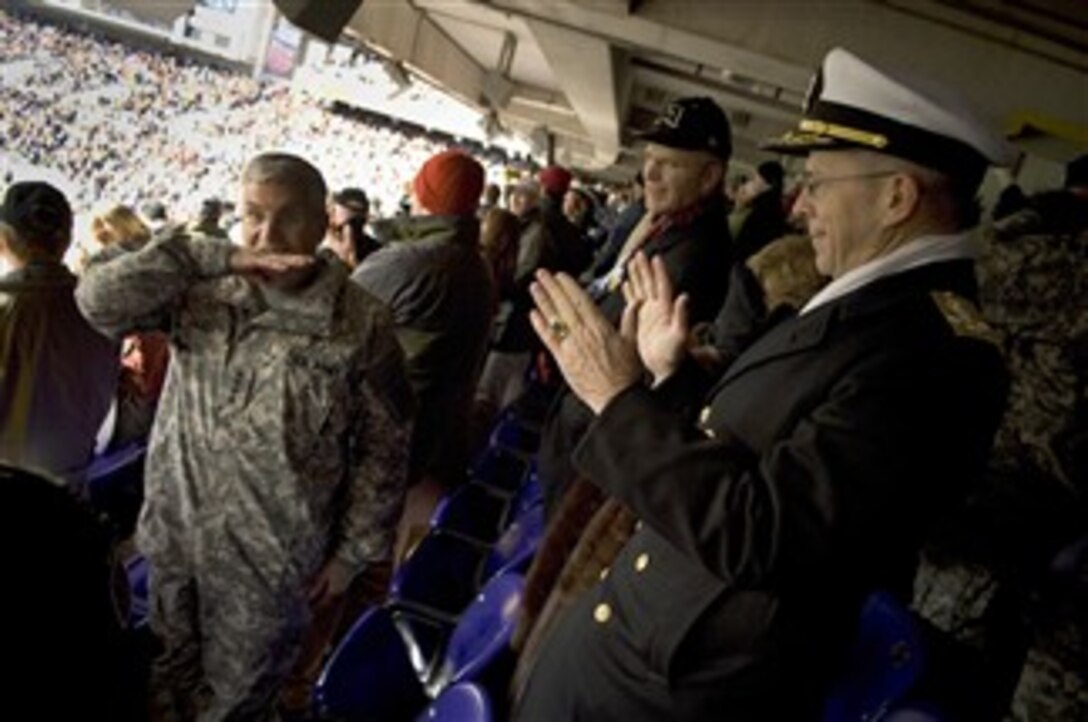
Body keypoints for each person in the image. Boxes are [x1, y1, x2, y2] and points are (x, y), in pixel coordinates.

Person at [513, 47, 1012, 720]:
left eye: (819, 182)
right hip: (646, 644)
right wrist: (672, 376)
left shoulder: (937, 355)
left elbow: (771, 532)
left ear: (896, 196)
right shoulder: (869, 302)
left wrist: (617, 398)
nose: (799, 206)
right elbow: (746, 443)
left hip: (679, 687)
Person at [76, 152, 415, 722]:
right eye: (252, 214)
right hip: (177, 542)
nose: (267, 233)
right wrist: (202, 253)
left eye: (288, 217)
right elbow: (95, 301)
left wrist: (352, 557)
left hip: (268, 570)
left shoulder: (360, 323)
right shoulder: (203, 288)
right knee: (162, 686)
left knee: (236, 707)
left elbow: (386, 449)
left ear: (323, 221)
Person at [539, 96, 734, 514]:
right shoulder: (667, 225)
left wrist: (558, 336)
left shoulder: (693, 259)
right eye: (649, 158)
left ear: (709, 176)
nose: (649, 173)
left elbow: (614, 344)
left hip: (593, 448)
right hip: (585, 431)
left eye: (670, 163)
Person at [352, 148, 495, 556]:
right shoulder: (475, 263)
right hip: (434, 431)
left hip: (389, 438)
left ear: (425, 195)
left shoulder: (409, 261)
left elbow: (326, 319)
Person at [0, 181, 119, 485]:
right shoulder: (101, 303)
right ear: (66, 240)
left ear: (3, 241)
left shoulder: (7, 306)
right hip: (73, 481)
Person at [325, 187, 380, 268]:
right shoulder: (316, 247)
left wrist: (350, 262)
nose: (348, 232)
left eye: (355, 224)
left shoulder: (376, 254)